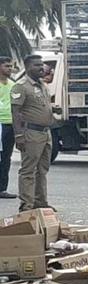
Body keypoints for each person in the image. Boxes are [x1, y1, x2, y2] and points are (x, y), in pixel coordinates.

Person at [10, 54, 56, 211]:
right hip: (31, 132)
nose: (41, 67)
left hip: (45, 133)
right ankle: (27, 205)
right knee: (28, 170)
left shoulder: (42, 85)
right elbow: (15, 112)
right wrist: (19, 135)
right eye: (37, 65)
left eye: (41, 64)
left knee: (42, 169)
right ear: (28, 67)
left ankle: (41, 202)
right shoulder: (21, 86)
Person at [0, 58, 15, 199]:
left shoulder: (12, 84)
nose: (10, 68)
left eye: (11, 66)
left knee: (6, 157)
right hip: (0, 124)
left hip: (10, 124)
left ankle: (2, 189)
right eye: (6, 66)